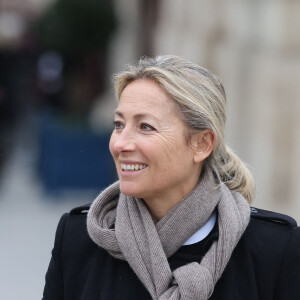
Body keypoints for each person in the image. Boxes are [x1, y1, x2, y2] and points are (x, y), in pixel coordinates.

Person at [43, 55, 300, 300]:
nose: (120, 144)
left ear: (201, 144)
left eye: (145, 127)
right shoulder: (79, 239)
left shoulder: (274, 250)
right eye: (119, 125)